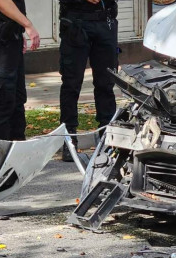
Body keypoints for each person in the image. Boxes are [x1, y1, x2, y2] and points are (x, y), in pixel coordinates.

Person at [0, 0, 41, 157]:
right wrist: (28, 25)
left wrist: (18, 29)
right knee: (2, 99)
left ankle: (16, 154)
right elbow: (0, 1)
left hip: (9, 33)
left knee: (17, 98)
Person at [59, 0, 119, 162]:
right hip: (76, 22)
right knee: (71, 84)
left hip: (105, 22)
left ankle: (107, 136)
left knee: (106, 83)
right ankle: (69, 138)